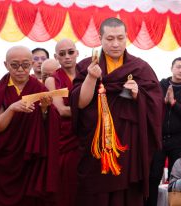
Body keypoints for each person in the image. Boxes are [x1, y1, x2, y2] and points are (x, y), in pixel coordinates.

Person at [69, 17, 163, 206]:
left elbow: (156, 104)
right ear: (100, 38)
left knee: (125, 195)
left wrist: (139, 95)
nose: (115, 44)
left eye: (120, 38)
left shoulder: (140, 68)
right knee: (94, 194)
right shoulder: (87, 66)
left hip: (128, 144)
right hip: (96, 145)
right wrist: (91, 77)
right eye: (110, 39)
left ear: (127, 37)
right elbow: (79, 103)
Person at [0, 46, 57, 206]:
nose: (21, 70)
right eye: (15, 65)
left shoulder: (39, 89)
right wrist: (12, 108)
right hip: (2, 159)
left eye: (26, 65)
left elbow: (46, 126)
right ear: (6, 65)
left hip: (28, 159)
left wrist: (44, 109)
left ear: (32, 64)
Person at [146, 57, 181, 206]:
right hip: (159, 138)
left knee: (176, 178)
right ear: (171, 68)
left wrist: (173, 103)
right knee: (153, 175)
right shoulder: (160, 85)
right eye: (178, 67)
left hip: (178, 139)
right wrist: (162, 102)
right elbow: (150, 108)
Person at [44, 39, 79, 206]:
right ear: (56, 57)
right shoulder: (52, 80)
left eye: (71, 52)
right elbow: (62, 110)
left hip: (87, 137)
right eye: (62, 54)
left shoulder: (87, 75)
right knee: (66, 185)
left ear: (77, 53)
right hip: (65, 139)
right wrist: (91, 113)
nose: (67, 57)